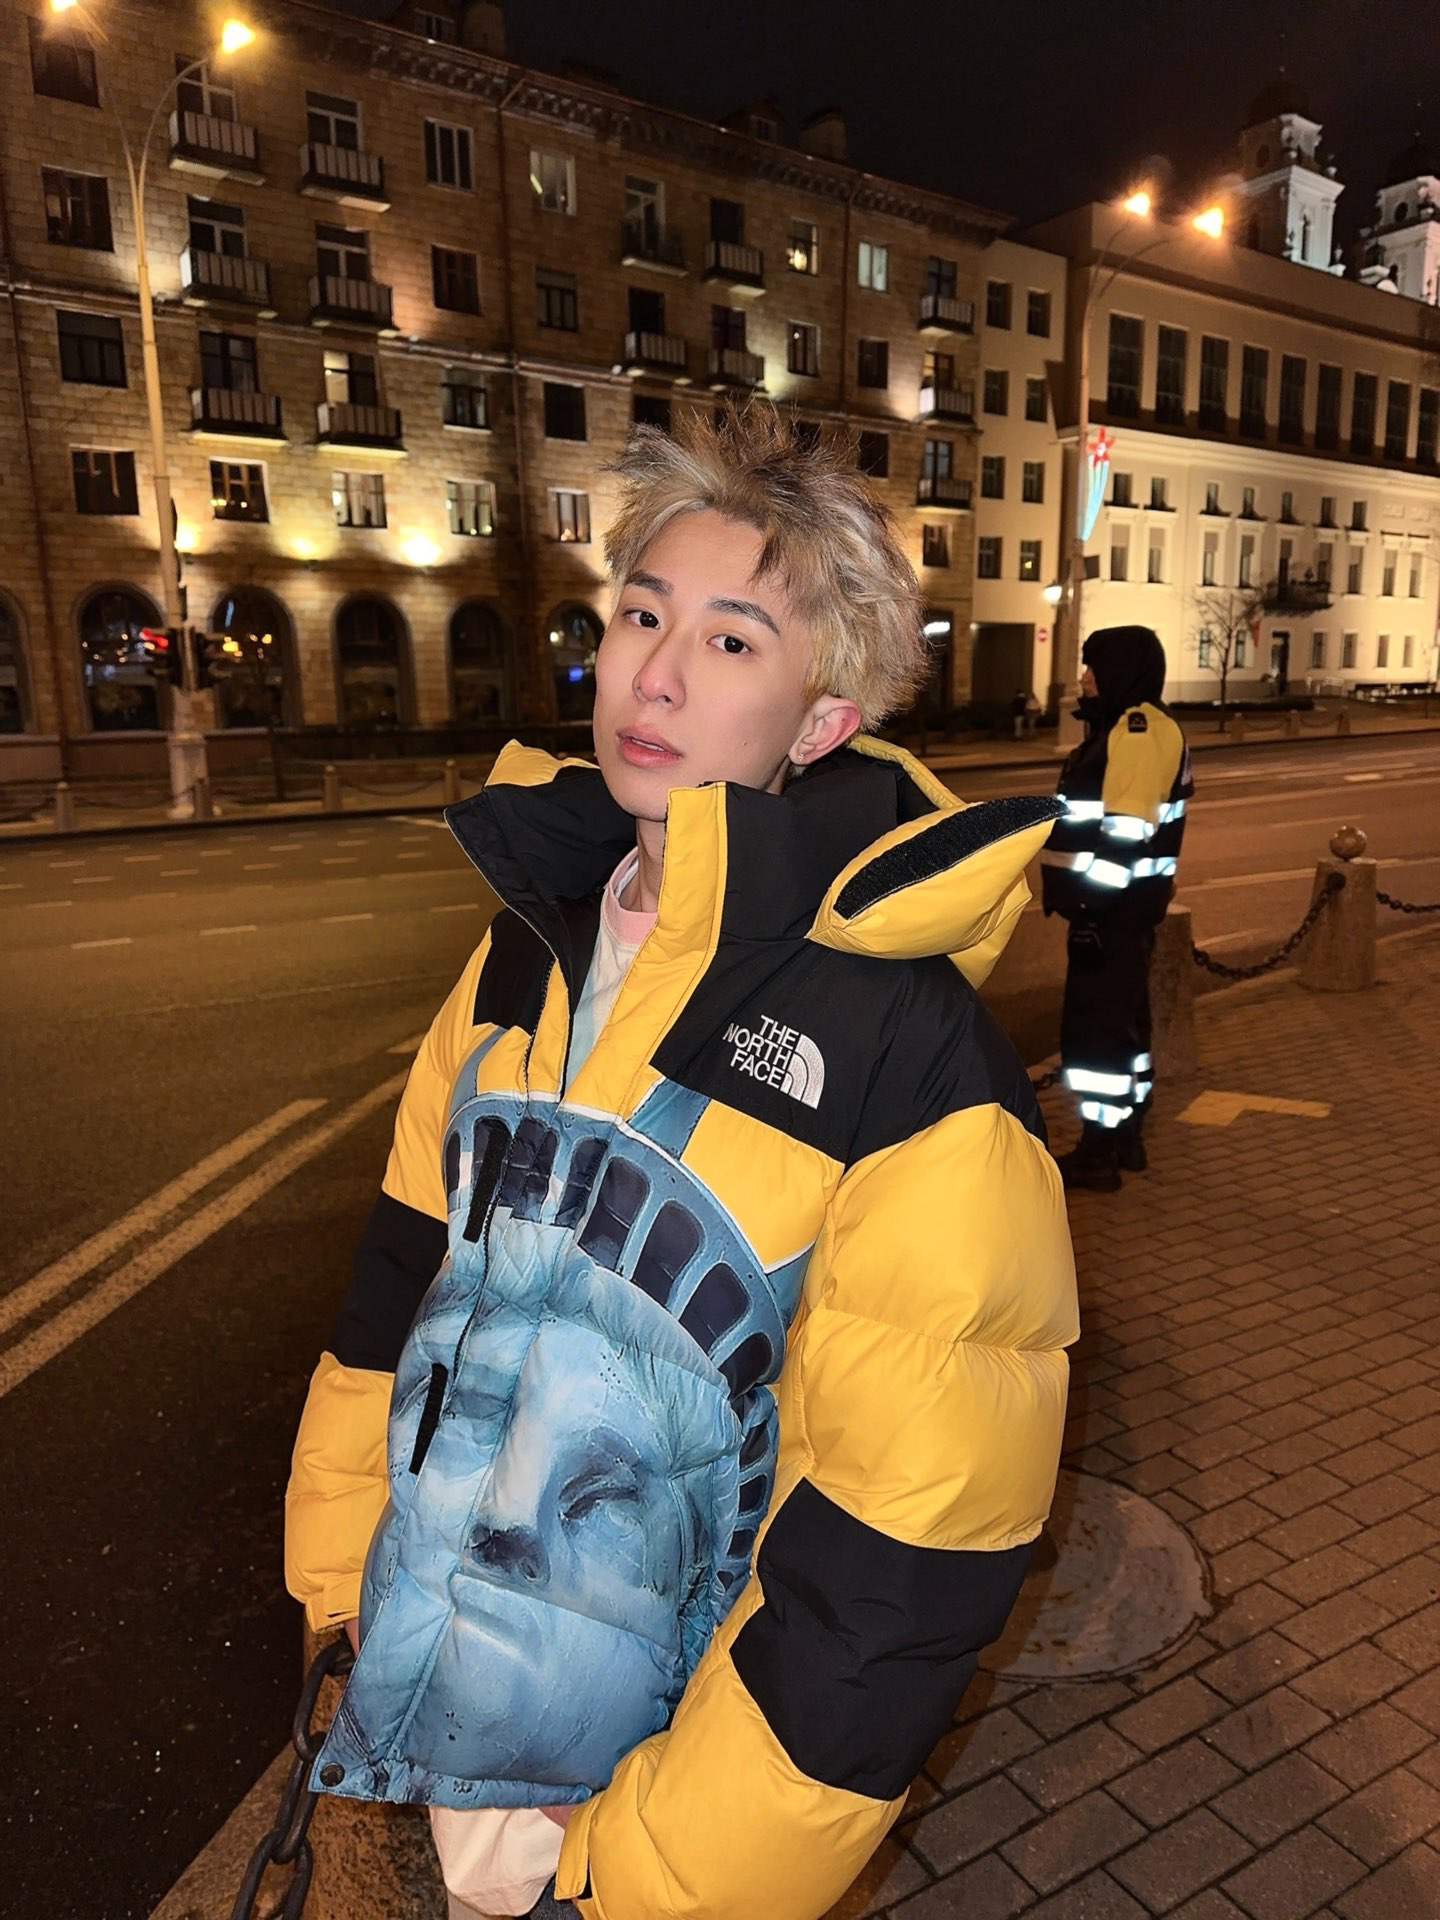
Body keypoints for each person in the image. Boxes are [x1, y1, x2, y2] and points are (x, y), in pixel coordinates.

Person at [284, 406, 1079, 1920]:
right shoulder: (524, 951)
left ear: (821, 722)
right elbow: (400, 1287)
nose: (655, 675)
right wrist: (336, 1586)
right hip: (440, 1714)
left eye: (729, 641)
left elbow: (907, 1540)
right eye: (641, 615)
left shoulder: (908, 1054)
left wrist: (673, 1864)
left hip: (647, 1810)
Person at [1041, 625, 1194, 1193]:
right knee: (1125, 1030)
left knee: (1095, 1036)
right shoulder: (1129, 725)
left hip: (1111, 914)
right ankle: (1125, 1135)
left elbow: (1126, 833)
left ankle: (1099, 1152)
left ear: (1121, 670)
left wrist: (1090, 909)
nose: (1084, 678)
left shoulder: (1135, 729)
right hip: (1122, 913)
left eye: (1093, 667)